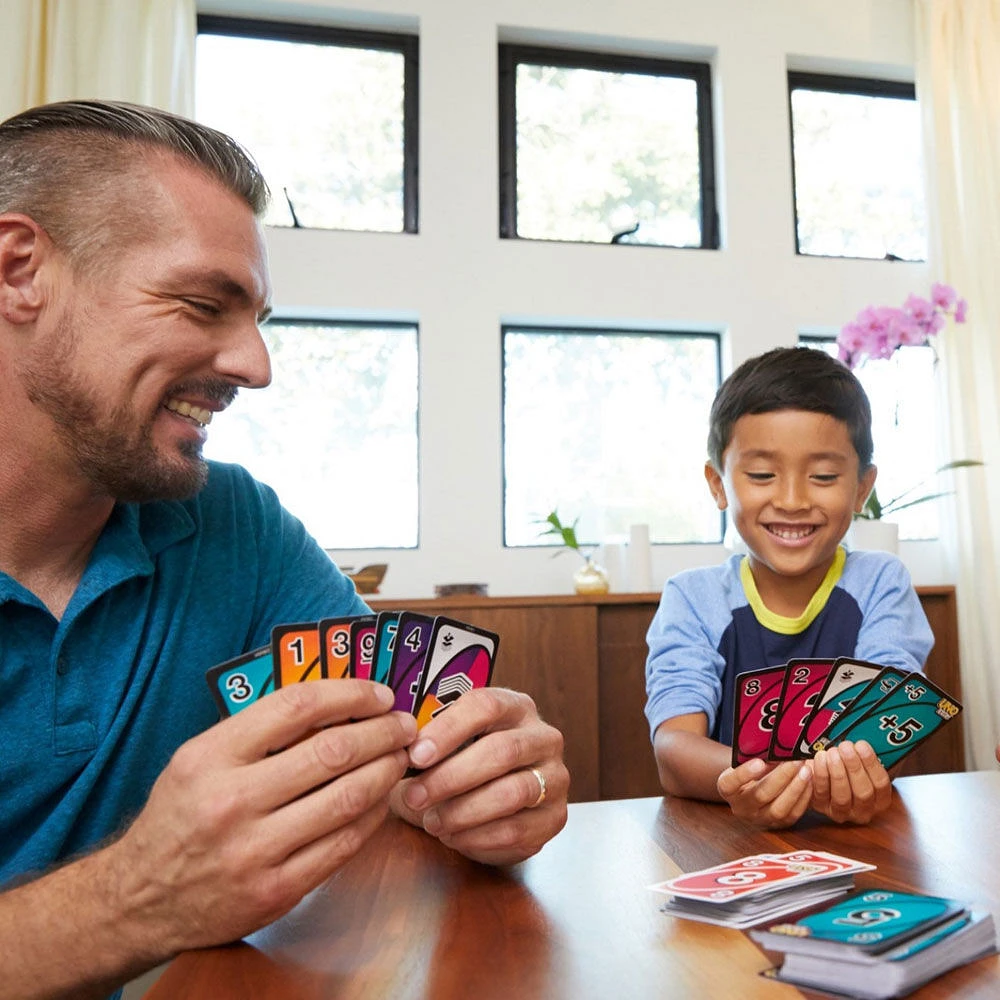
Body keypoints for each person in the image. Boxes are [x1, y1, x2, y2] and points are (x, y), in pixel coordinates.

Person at [0, 99, 569, 1000]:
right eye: (201, 304)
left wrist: (478, 783)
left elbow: (390, 751)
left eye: (258, 317)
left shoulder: (236, 524)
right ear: (18, 269)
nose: (256, 366)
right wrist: (135, 901)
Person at [644, 347, 933, 830]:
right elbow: (673, 748)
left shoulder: (883, 583)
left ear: (862, 489)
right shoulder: (692, 598)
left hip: (856, 842)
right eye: (761, 475)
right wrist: (755, 778)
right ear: (718, 484)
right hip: (727, 842)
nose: (793, 500)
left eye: (823, 476)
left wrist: (811, 779)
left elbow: (889, 728)